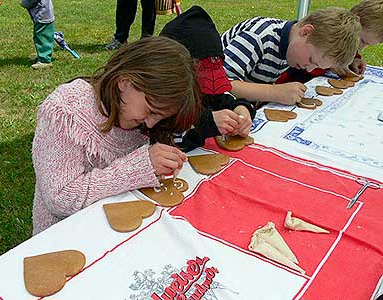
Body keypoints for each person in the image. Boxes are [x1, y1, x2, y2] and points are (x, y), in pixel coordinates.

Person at [32, 37, 201, 234]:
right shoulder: (65, 112)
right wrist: (139, 168)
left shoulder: (141, 116)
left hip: (123, 229)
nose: (151, 123)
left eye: (161, 117)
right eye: (151, 111)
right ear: (125, 82)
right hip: (67, 237)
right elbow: (60, 199)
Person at [160, 6, 256, 152]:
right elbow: (168, 139)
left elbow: (222, 99)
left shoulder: (206, 92)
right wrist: (207, 123)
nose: (205, 87)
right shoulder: (159, 100)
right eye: (202, 76)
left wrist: (242, 109)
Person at [221, 7, 362, 106]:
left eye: (317, 66)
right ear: (306, 32)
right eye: (312, 60)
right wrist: (273, 92)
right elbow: (220, 84)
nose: (309, 69)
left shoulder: (292, 48)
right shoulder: (259, 36)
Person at [21, 0, 55, 69]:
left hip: (42, 14)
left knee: (42, 38)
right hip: (43, 13)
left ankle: (45, 61)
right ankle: (42, 57)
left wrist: (25, 3)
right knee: (41, 37)